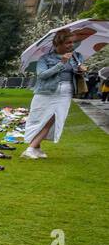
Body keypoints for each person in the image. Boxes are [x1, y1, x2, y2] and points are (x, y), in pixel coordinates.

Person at [22, 28, 85, 158]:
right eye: (68, 42)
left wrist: (81, 70)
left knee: (54, 118)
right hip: (46, 92)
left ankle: (34, 148)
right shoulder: (45, 58)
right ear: (58, 44)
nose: (71, 45)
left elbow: (77, 75)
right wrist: (61, 63)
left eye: (72, 42)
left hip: (65, 92)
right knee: (39, 119)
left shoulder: (76, 56)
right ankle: (32, 148)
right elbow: (42, 75)